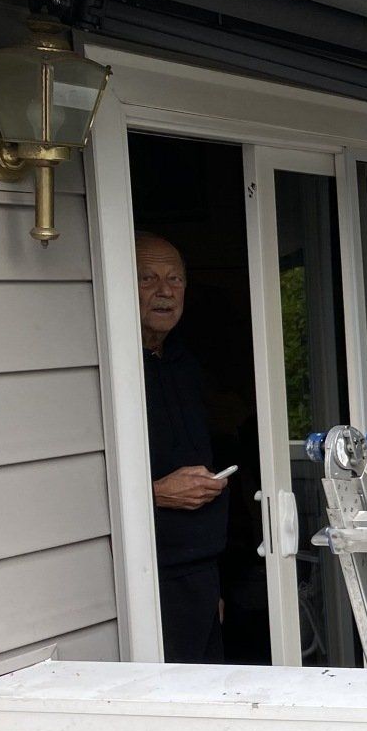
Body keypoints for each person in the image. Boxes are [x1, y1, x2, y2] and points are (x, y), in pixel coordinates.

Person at [137, 231, 231, 662]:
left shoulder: (184, 364)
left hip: (201, 577)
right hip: (147, 580)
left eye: (175, 279)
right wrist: (155, 493)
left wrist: (213, 589)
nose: (164, 291)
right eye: (148, 278)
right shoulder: (109, 367)